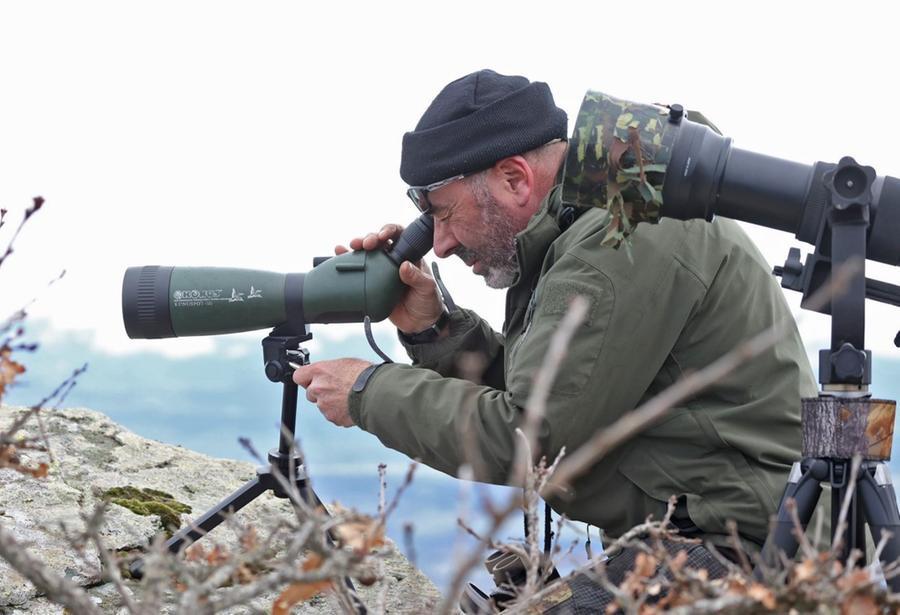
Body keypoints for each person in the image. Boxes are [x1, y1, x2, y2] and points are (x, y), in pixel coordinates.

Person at [293, 69, 817, 565]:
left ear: (515, 179)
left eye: (446, 215)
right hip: (723, 530)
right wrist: (433, 329)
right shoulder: (603, 213)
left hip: (745, 545)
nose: (443, 244)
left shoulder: (616, 243)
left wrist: (369, 391)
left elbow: (534, 437)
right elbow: (563, 392)